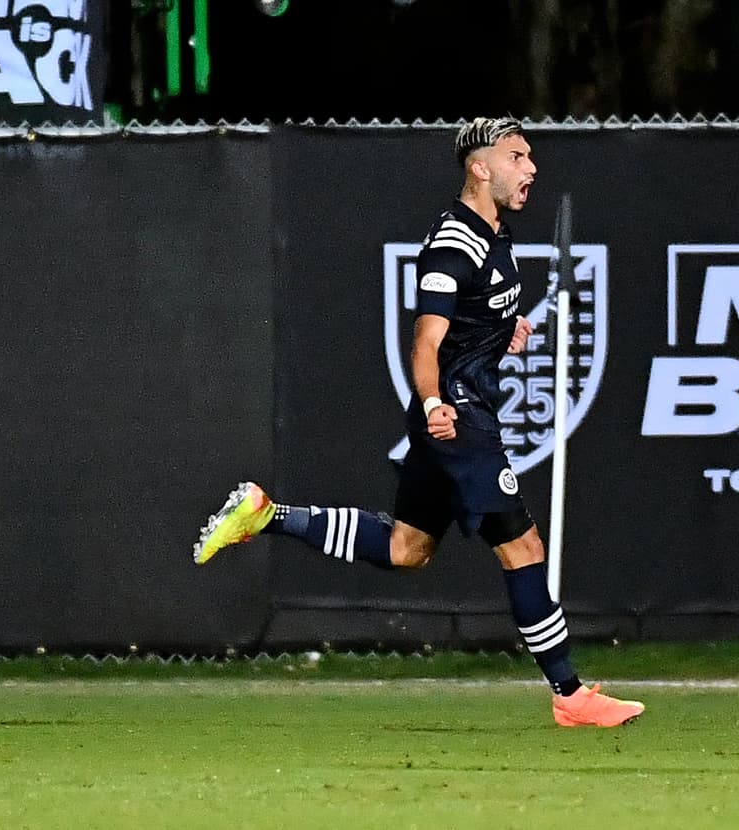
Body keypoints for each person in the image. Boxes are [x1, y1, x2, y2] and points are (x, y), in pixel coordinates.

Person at [193, 116, 644, 729]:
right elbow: (426, 342)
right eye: (517, 156)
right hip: (458, 416)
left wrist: (501, 331)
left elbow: (467, 321)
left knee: (407, 548)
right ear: (480, 168)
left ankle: (267, 514)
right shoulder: (456, 245)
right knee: (523, 547)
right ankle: (570, 693)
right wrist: (434, 404)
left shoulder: (495, 233)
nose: (531, 167)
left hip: (455, 413)